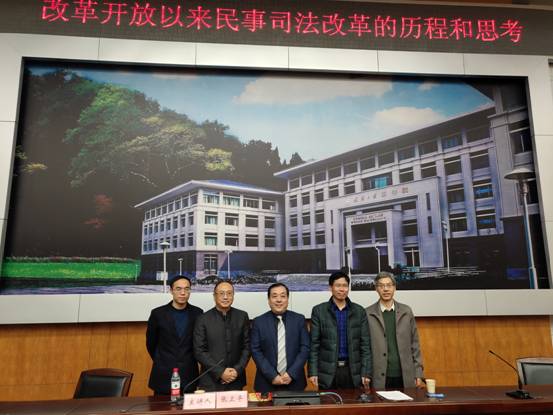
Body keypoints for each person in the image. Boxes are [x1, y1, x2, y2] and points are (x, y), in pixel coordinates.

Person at [308, 271, 372, 390]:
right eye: (338, 285)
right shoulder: (319, 311)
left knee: (353, 402)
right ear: (330, 288)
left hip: (353, 371)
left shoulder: (359, 311)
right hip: (327, 371)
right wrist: (313, 372)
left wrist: (366, 372)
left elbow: (365, 345)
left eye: (345, 286)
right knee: (328, 402)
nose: (342, 289)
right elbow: (314, 345)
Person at [366, 271, 424, 390]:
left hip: (405, 375)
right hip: (379, 375)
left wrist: (418, 372)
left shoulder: (406, 311)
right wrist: (366, 373)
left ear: (394, 287)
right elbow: (364, 348)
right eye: (381, 286)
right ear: (376, 289)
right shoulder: (368, 313)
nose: (385, 289)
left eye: (389, 285)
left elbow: (415, 344)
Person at [146, 275, 203, 395]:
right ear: (171, 291)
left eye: (187, 289)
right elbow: (151, 344)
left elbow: (199, 343)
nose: (183, 293)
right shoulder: (158, 313)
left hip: (189, 375)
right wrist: (163, 360)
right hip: (163, 374)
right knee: (161, 406)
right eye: (178, 289)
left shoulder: (198, 313)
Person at [250, 283, 310, 392]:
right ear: (269, 300)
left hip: (295, 382)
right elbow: (256, 351)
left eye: (283, 296)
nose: (279, 300)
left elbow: (305, 348)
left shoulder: (299, 320)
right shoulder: (258, 322)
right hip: (266, 383)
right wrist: (272, 375)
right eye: (274, 296)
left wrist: (291, 373)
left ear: (287, 299)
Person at [193, 280, 250, 391]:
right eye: (221, 293)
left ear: (233, 295)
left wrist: (237, 370)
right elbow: (199, 351)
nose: (225, 297)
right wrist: (220, 372)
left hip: (236, 379)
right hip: (210, 381)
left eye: (229, 293)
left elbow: (247, 347)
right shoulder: (203, 319)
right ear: (214, 296)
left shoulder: (242, 316)